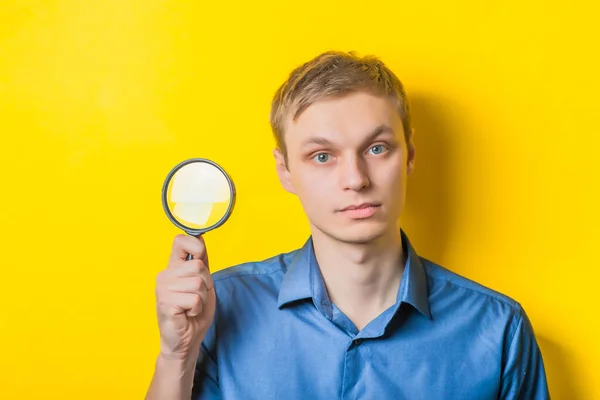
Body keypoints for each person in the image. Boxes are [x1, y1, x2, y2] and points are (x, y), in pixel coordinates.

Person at [145, 51, 550, 400]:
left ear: (408, 157)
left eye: (377, 148)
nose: (356, 178)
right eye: (322, 156)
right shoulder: (221, 307)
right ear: (285, 171)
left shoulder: (498, 329)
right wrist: (177, 353)